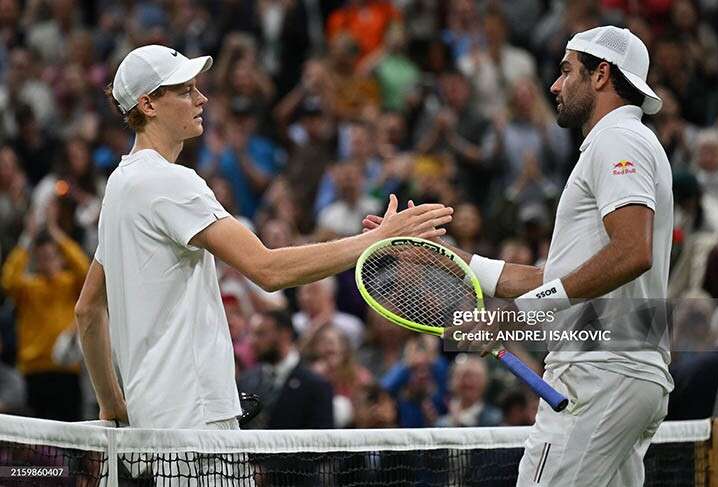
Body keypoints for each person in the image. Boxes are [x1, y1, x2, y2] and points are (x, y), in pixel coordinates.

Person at [74, 45, 453, 430]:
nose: (201, 98)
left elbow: (87, 310)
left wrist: (112, 404)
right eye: (185, 90)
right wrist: (379, 238)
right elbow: (268, 269)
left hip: (148, 422)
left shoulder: (120, 187)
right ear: (148, 105)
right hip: (195, 421)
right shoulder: (170, 183)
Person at [365, 26, 673, 486]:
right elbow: (562, 276)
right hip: (625, 373)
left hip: (599, 373)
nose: (555, 84)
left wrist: (513, 319)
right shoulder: (627, 141)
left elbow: (632, 252)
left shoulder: (618, 141)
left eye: (566, 70)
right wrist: (447, 260)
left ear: (602, 75)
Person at [1, 205, 88, 421]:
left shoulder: (70, 284)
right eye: (41, 257)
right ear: (36, 261)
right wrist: (26, 239)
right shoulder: (28, 288)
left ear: (59, 258)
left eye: (51, 256)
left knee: (72, 438)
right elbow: (7, 280)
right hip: (34, 371)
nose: (47, 261)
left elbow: (85, 270)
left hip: (67, 370)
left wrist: (56, 233)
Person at [237, 310, 334, 429]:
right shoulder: (245, 381)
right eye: (251, 334)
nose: (252, 341)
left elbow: (321, 439)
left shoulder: (316, 385)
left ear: (285, 334)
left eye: (260, 334)